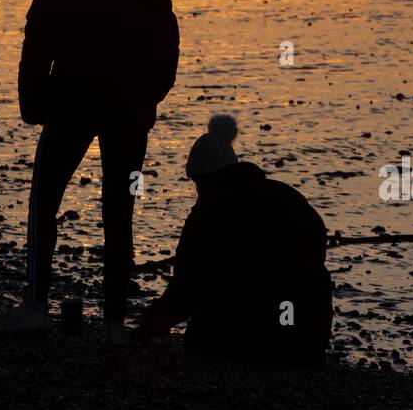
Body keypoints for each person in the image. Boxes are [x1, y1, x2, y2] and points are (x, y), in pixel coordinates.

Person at [1, 0, 180, 342]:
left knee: (45, 202)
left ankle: (37, 306)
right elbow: (167, 51)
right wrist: (147, 99)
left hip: (72, 103)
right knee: (119, 213)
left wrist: (32, 101)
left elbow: (36, 38)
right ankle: (115, 322)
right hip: (124, 109)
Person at [136, 115, 332, 365]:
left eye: (197, 183)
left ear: (207, 179)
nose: (197, 192)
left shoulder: (209, 211)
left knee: (202, 332)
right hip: (307, 341)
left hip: (243, 343)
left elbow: (186, 287)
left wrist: (152, 323)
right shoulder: (289, 198)